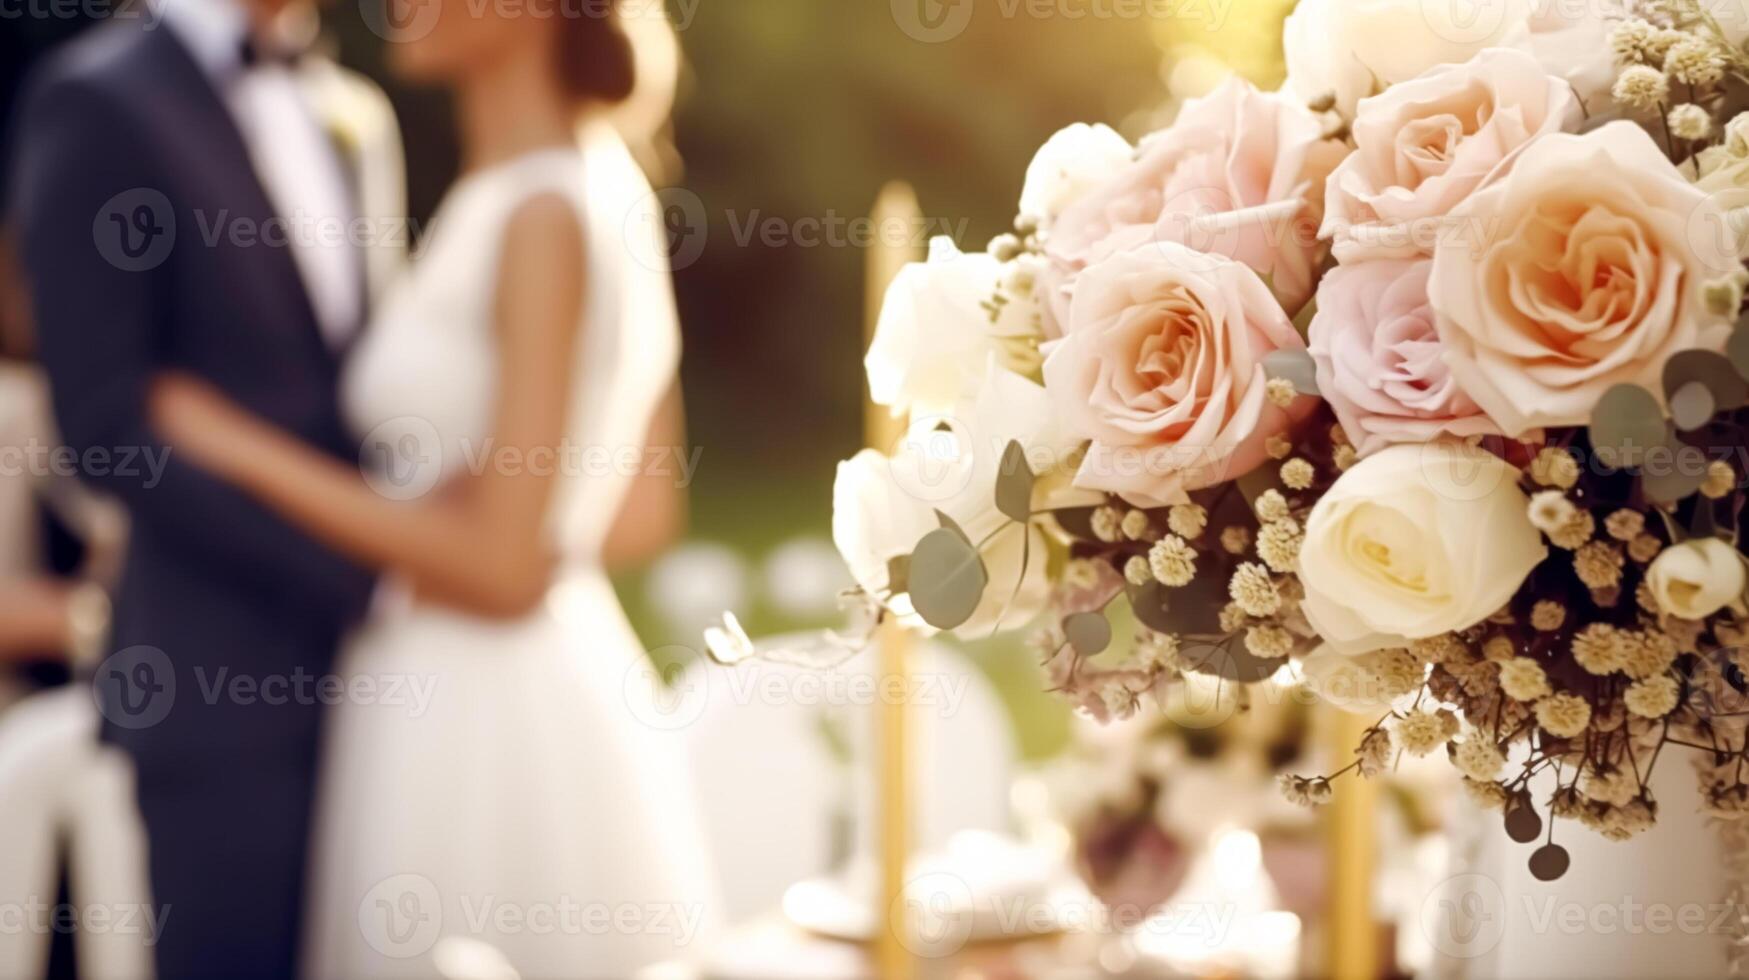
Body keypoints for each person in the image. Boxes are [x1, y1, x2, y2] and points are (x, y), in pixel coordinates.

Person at [146, 3, 719, 977]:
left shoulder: (540, 212)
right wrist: (451, 505)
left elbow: (504, 567)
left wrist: (233, 445)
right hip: (534, 677)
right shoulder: (588, 188)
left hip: (470, 712)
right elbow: (635, 510)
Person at [6, 1, 406, 976]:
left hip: (397, 689)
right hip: (221, 692)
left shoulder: (351, 111)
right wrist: (357, 570)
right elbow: (108, 425)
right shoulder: (95, 101)